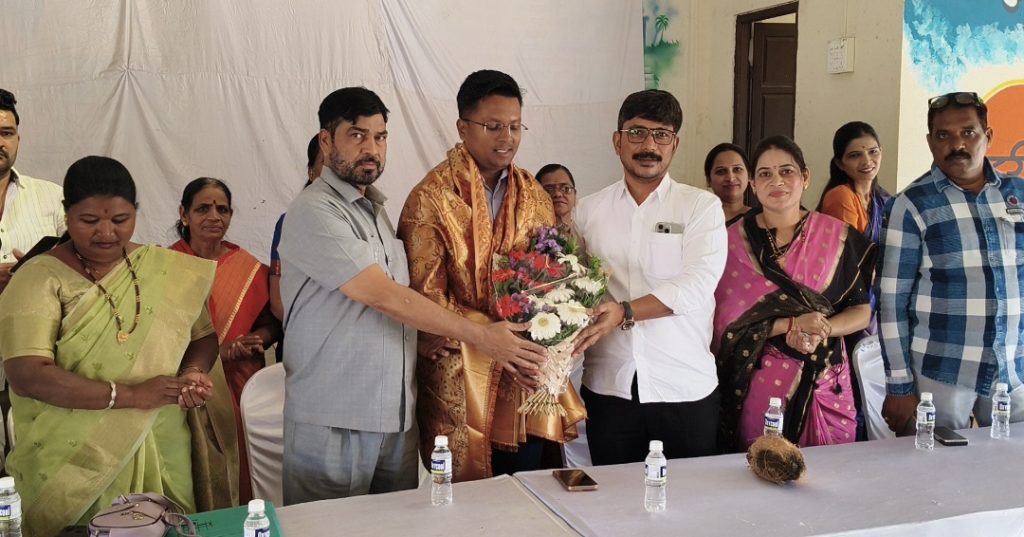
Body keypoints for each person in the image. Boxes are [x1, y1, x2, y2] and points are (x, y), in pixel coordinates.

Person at [278, 87, 546, 503]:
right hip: (335, 419)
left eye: (380, 137)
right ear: (326, 141)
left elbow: (387, 306)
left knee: (398, 526)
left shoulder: (376, 213)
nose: (371, 149)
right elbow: (382, 296)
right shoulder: (314, 211)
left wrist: (420, 340)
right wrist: (481, 335)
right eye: (357, 135)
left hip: (395, 418)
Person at [0, 156, 219, 536]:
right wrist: (132, 395)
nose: (106, 233)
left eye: (120, 220)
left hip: (162, 438)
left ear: (135, 212)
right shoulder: (39, 278)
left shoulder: (163, 267)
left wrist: (192, 374)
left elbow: (202, 335)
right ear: (66, 214)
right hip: (72, 458)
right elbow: (27, 375)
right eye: (89, 220)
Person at [399, 70, 584, 480]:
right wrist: (490, 336)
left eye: (515, 126)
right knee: (467, 496)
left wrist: (534, 334)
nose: (507, 137)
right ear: (463, 127)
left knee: (527, 484)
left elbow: (550, 278)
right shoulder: (430, 199)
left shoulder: (534, 195)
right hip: (462, 370)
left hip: (523, 372)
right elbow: (426, 295)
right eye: (494, 126)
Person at [573, 90, 726, 464]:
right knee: (615, 497)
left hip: (684, 387)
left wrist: (625, 312)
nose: (649, 145)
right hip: (610, 387)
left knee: (689, 496)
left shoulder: (700, 207)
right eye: (637, 133)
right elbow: (573, 286)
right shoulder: (588, 211)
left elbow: (697, 285)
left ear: (675, 144)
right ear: (617, 141)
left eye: (661, 135)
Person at [712, 135, 874, 450]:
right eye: (765, 174)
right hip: (760, 381)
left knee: (833, 471)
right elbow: (723, 323)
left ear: (805, 177)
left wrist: (821, 328)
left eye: (786, 171)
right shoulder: (730, 243)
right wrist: (789, 325)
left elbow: (861, 310)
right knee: (764, 468)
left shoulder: (838, 236)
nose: (777, 181)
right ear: (753, 184)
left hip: (827, 378)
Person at [879, 92, 1024, 434]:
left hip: (1014, 368)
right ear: (930, 142)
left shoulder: (1017, 194)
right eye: (943, 135)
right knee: (933, 463)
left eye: (968, 132)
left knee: (1013, 464)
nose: (957, 144)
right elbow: (891, 301)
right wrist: (899, 385)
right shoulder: (911, 205)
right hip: (940, 374)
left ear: (988, 136)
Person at [169, 177, 281, 503]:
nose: (214, 216)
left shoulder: (249, 269)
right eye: (203, 209)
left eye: (223, 209)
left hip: (238, 389)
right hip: (183, 388)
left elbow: (272, 322)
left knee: (237, 470)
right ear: (184, 214)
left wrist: (258, 338)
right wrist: (220, 353)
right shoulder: (166, 266)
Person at [535, 163, 591, 468]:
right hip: (543, 344)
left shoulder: (589, 234)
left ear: (575, 195)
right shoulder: (528, 236)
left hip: (585, 343)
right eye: (549, 189)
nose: (558, 194)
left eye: (565, 188)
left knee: (581, 415)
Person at [0, 88, 65, 295]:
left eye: (7, 133)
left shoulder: (54, 197)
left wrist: (37, 273)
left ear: (18, 139)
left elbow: (84, 267)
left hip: (38, 313)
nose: (0, 143)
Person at [270, 134, 323, 321]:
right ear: (311, 172)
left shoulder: (369, 221)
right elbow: (278, 303)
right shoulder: (290, 223)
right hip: (307, 333)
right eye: (326, 164)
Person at [704, 142, 752, 225]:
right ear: (709, 180)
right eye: (721, 171)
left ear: (749, 176)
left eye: (737, 169)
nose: (730, 178)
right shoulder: (698, 219)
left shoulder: (763, 220)